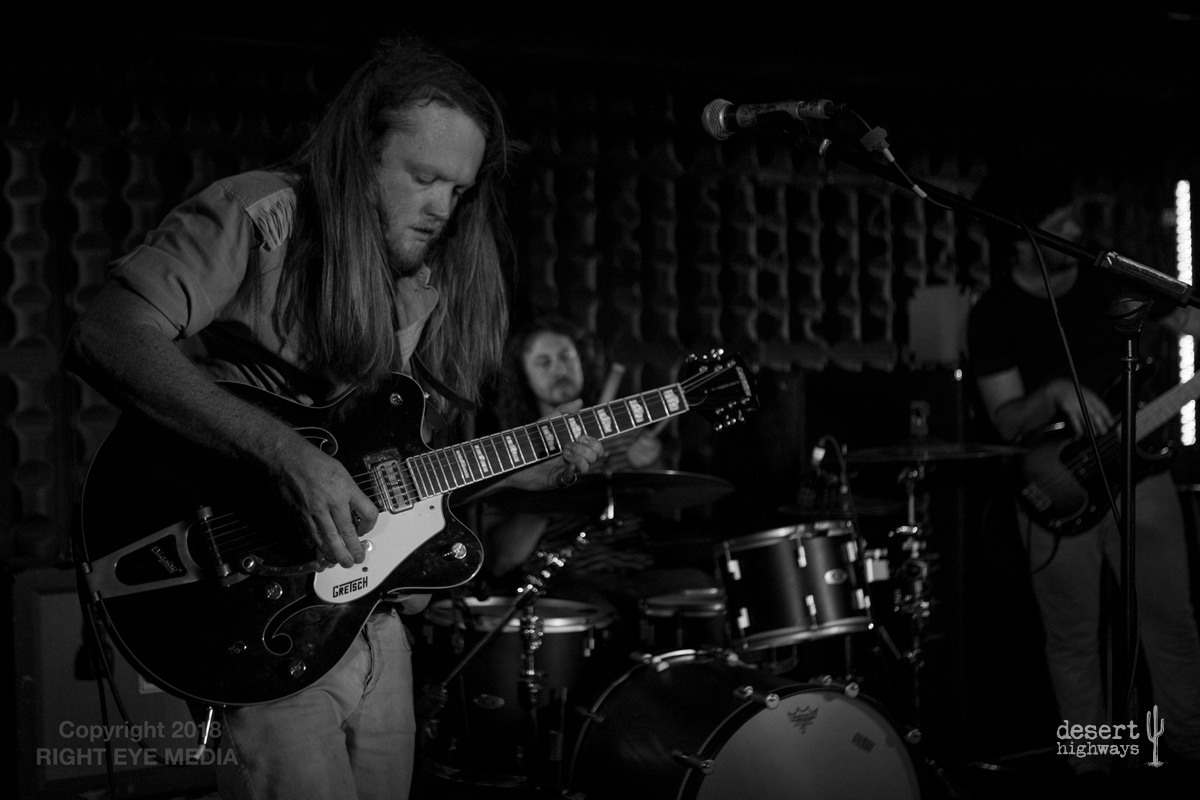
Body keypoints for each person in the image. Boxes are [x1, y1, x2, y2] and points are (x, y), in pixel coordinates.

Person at [64, 36, 603, 800]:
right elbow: (107, 334)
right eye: (423, 178)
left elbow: (387, 474)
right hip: (257, 603)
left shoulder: (424, 280)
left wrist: (517, 477)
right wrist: (285, 456)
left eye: (458, 189)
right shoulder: (262, 213)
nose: (442, 209)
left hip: (373, 616)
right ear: (359, 155)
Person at [967, 160, 1200, 795]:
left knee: (1171, 622)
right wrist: (1052, 393)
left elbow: (1189, 318)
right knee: (1071, 637)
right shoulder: (994, 312)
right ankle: (1089, 765)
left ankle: (1188, 747)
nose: (1074, 231)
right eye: (1058, 224)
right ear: (1021, 240)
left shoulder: (1112, 277)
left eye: (1074, 219)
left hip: (1143, 478)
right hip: (1058, 488)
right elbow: (1005, 418)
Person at [476, 315, 720, 661]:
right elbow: (501, 560)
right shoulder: (512, 451)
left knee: (702, 590)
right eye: (543, 362)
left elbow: (669, 509)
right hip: (565, 582)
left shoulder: (624, 435)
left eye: (566, 356)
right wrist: (552, 488)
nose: (559, 369)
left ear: (583, 361)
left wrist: (651, 466)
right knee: (601, 616)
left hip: (634, 570)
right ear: (523, 375)